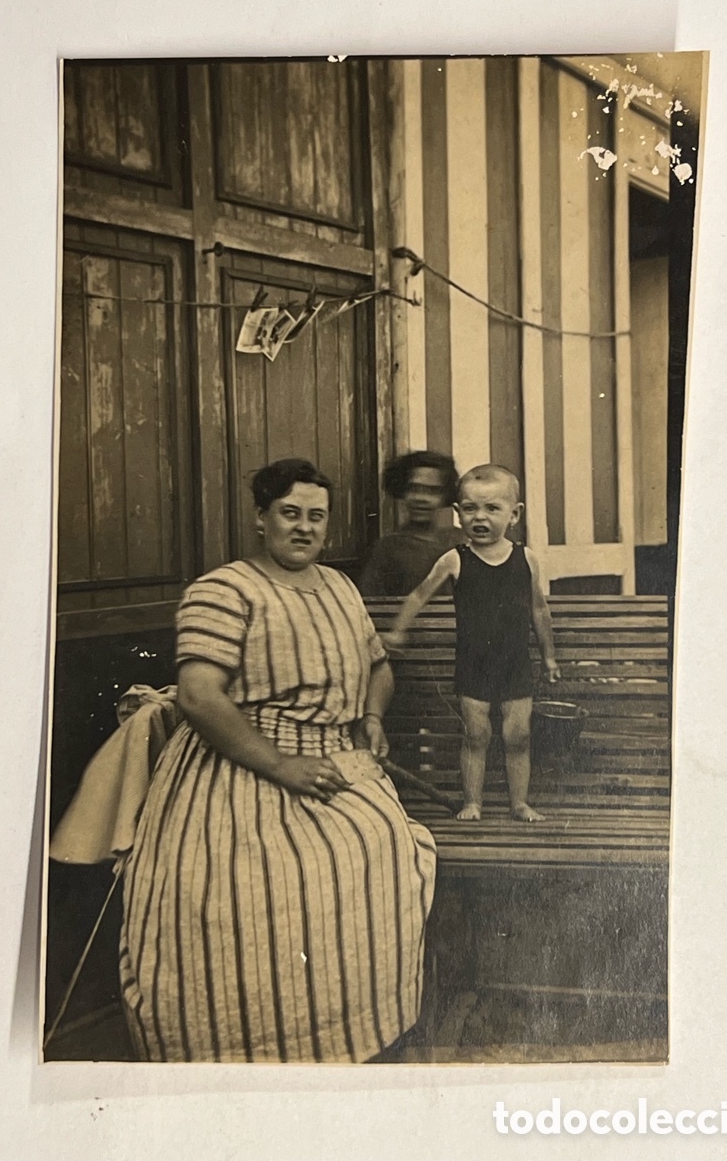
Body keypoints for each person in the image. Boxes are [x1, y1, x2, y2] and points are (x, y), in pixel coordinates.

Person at [119, 458, 436, 1063]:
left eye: (316, 517)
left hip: (334, 760)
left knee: (383, 850)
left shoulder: (340, 587)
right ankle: (254, 1052)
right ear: (261, 518)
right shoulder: (222, 590)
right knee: (252, 894)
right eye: (290, 514)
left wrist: (370, 718)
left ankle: (357, 1033)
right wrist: (281, 766)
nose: (304, 528)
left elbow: (378, 667)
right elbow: (199, 697)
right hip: (237, 768)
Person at [382, 464, 560, 823]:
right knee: (476, 735)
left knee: (518, 736)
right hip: (473, 664)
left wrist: (550, 657)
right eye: (469, 508)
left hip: (515, 664)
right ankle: (472, 803)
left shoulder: (526, 559)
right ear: (458, 513)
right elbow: (418, 596)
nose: (479, 517)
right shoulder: (455, 559)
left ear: (515, 514)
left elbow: (539, 611)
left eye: (492, 509)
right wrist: (398, 630)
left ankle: (519, 803)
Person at [359, 450, 463, 596]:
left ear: (445, 496)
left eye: (432, 491)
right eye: (413, 489)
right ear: (401, 491)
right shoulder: (386, 550)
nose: (421, 498)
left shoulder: (461, 540)